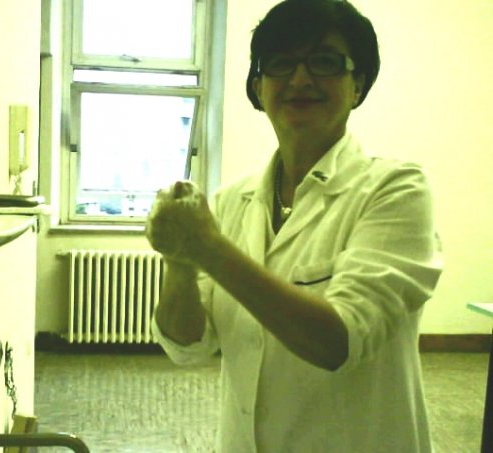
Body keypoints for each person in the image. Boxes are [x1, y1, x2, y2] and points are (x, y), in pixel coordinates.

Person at [145, 0, 443, 451]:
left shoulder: (396, 190)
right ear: (259, 87)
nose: (300, 79)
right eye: (281, 63)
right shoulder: (231, 201)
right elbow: (188, 346)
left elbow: (340, 341)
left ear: (358, 85)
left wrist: (206, 247)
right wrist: (179, 261)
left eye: (324, 62)